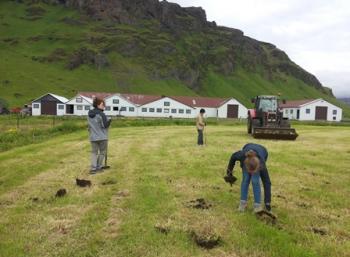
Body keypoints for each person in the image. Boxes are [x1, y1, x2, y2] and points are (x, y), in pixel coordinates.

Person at [226, 143, 272, 212]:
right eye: (250, 171)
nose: (251, 173)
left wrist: (267, 203)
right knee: (245, 179)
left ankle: (257, 206)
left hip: (262, 151)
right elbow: (233, 157)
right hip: (248, 147)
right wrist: (229, 173)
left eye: (253, 171)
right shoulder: (242, 155)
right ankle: (242, 203)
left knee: (255, 181)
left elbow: (267, 182)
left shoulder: (261, 164)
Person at [87, 97, 112, 174]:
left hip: (93, 137)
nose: (103, 106)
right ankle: (99, 167)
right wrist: (110, 121)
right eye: (102, 104)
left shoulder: (89, 114)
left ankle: (93, 169)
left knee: (94, 152)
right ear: (97, 105)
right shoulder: (102, 114)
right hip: (102, 137)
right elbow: (105, 126)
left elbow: (89, 126)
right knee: (102, 152)